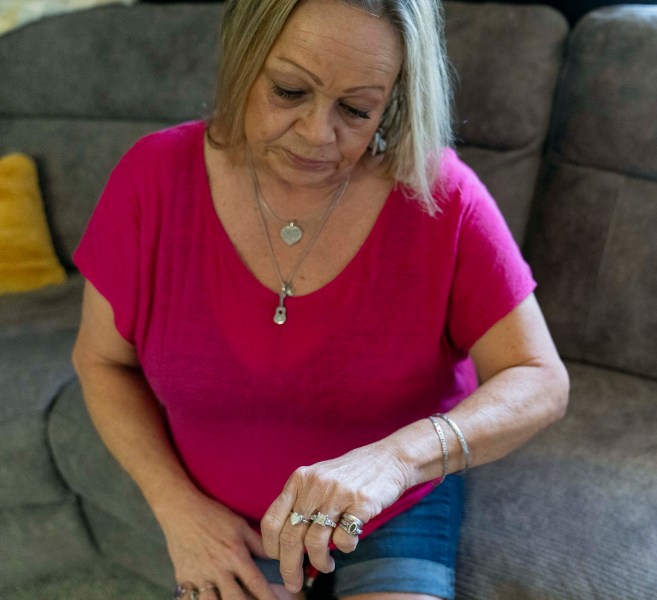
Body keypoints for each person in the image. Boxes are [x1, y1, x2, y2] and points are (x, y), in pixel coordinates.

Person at [70, 0, 569, 599]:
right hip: (218, 511)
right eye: (288, 91)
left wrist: (396, 462)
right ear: (244, 58)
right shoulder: (152, 179)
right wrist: (178, 510)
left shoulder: (440, 196)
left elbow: (539, 378)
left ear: (394, 99)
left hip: (390, 509)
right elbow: (102, 362)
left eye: (356, 109)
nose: (317, 134)